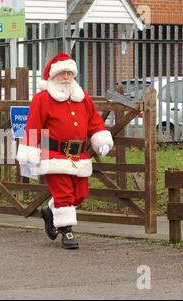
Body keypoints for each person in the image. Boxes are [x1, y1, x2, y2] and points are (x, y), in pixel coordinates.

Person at [16, 52, 113, 249]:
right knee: (64, 195)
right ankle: (66, 231)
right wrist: (30, 153)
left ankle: (51, 212)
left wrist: (101, 140)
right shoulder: (42, 99)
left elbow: (94, 122)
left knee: (81, 194)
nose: (66, 77)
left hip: (78, 156)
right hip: (53, 155)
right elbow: (33, 127)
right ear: (52, 77)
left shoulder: (82, 97)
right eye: (62, 73)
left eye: (69, 73)